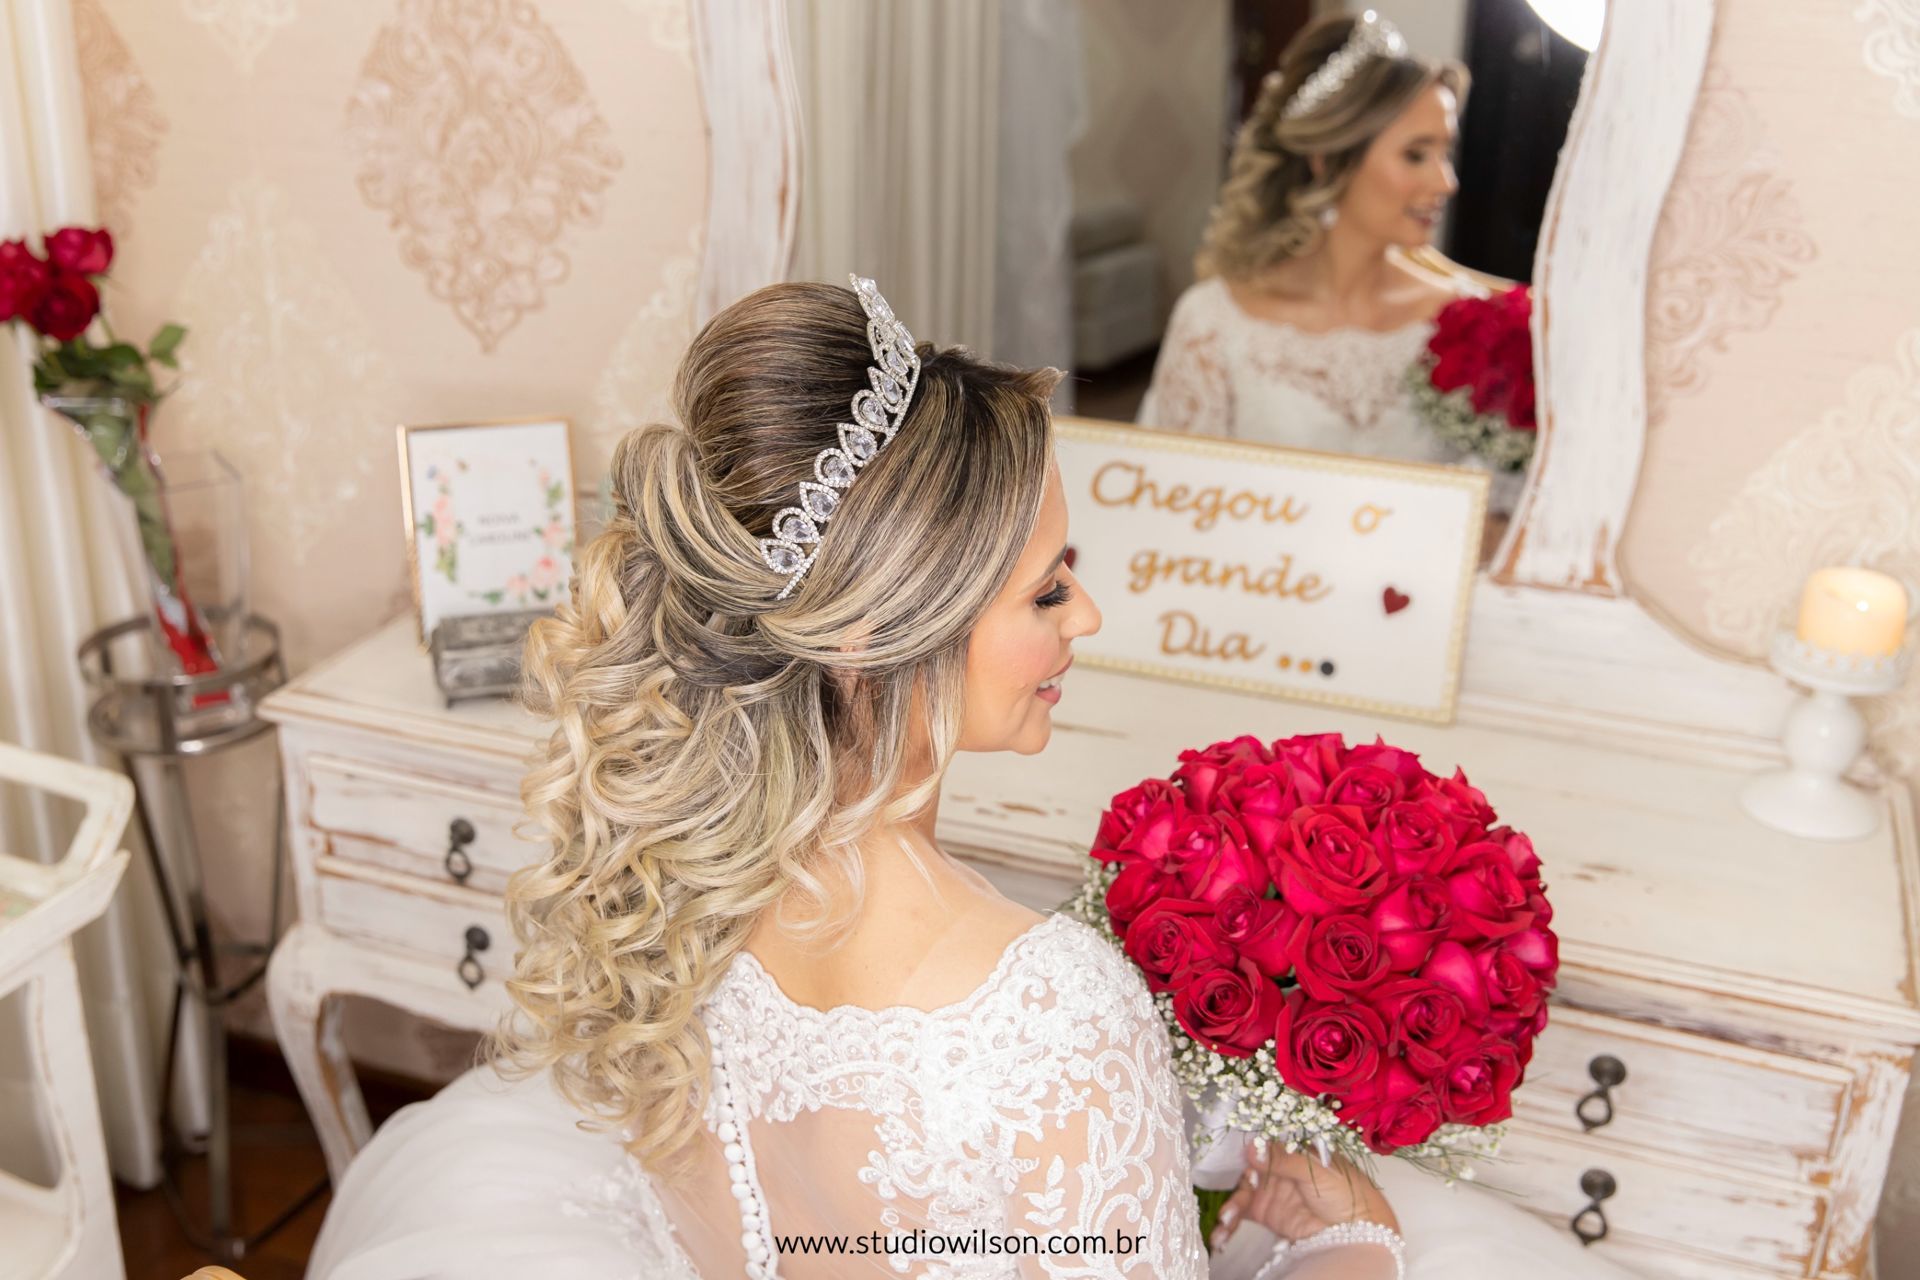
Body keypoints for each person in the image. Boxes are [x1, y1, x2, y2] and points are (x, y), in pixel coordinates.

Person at [305, 277, 1632, 1279]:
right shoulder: (1052, 1012)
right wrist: (1348, 1247)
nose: (1086, 619)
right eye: (1048, 586)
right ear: (884, 631)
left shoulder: (684, 873)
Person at [1138, 13, 1524, 517]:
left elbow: (1502, 509)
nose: (1445, 181)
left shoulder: (1470, 324)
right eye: (1416, 155)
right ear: (1328, 158)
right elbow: (1169, 510)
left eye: (1445, 152)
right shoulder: (1213, 323)